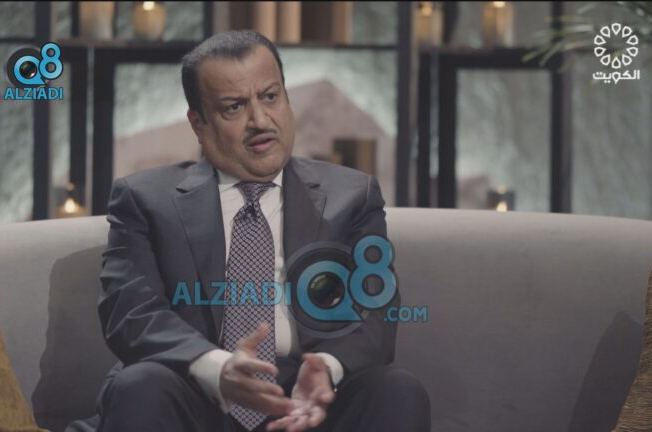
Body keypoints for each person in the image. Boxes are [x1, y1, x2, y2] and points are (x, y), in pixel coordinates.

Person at [67, 30, 430, 432]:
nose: (260, 121)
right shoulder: (145, 200)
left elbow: (376, 311)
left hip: (308, 403)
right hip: (196, 393)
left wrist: (326, 369)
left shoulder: (352, 197)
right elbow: (131, 313)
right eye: (234, 107)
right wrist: (218, 368)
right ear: (199, 123)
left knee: (397, 391)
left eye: (270, 97)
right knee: (142, 384)